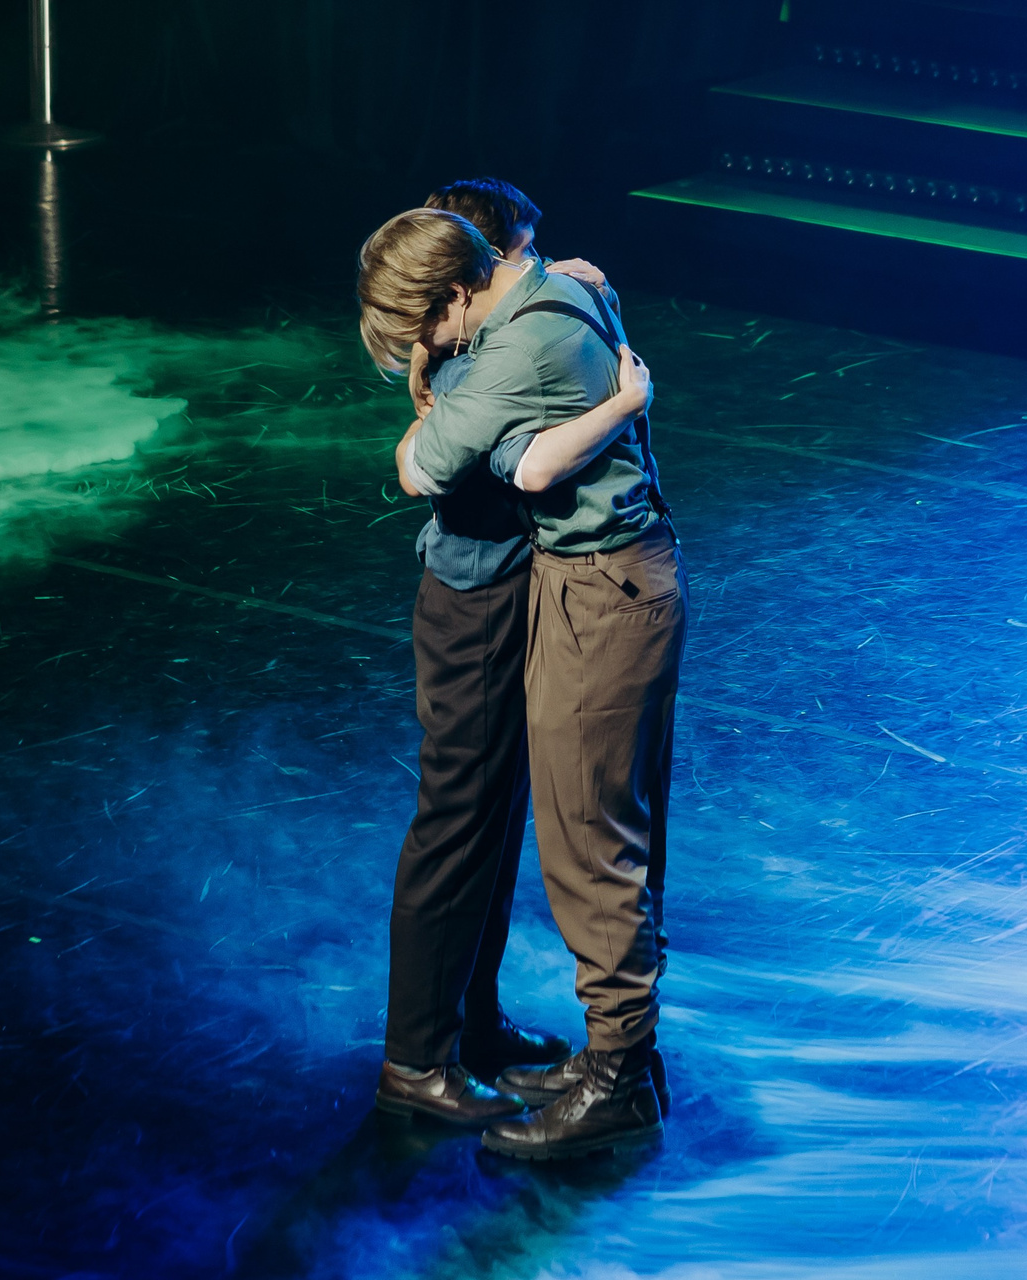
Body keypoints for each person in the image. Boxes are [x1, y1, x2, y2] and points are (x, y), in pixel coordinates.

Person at [360, 206, 686, 1159]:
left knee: (582, 840)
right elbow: (480, 465)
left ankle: (608, 1070)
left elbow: (472, 460)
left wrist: (444, 400)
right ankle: (432, 1055)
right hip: (524, 595)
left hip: (590, 591)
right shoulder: (537, 312)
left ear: (466, 284)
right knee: (490, 822)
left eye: (424, 328)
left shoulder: (517, 340)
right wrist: (620, 402)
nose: (422, 349)